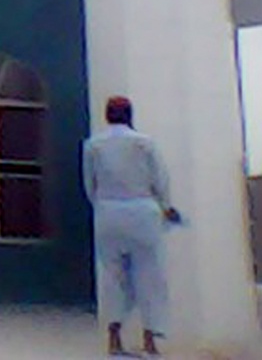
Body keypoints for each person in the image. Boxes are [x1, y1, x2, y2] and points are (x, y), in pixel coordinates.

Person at [82, 95, 181, 357]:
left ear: (107, 115)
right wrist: (167, 207)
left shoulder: (94, 145)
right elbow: (160, 179)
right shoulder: (144, 144)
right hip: (142, 211)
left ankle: (114, 338)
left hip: (108, 213)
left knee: (113, 278)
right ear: (130, 115)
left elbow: (89, 185)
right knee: (149, 276)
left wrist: (103, 206)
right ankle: (150, 340)